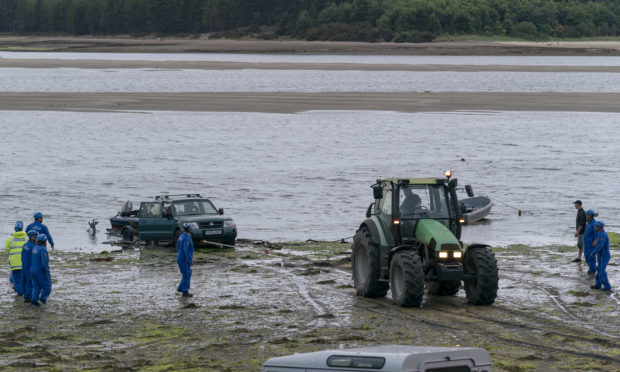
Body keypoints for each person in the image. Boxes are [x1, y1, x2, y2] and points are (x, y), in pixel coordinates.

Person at [4, 221, 27, 296]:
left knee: (16, 279)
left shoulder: (10, 238)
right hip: (24, 262)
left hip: (14, 263)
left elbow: (6, 249)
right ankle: (23, 290)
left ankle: (20, 291)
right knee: (24, 278)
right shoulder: (26, 237)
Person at [30, 234, 52, 307]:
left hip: (32, 270)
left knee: (36, 286)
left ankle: (33, 302)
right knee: (47, 286)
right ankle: (43, 298)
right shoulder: (43, 249)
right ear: (45, 241)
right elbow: (44, 262)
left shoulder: (35, 248)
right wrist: (46, 272)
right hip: (40, 271)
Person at [590, 221, 612, 292]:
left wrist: (593, 253)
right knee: (599, 270)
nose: (595, 227)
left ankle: (607, 286)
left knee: (602, 271)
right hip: (600, 255)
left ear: (599, 227)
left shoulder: (603, 235)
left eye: (596, 226)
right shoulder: (599, 234)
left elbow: (600, 246)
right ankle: (598, 285)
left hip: (604, 255)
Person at [176, 223, 194, 297]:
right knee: (187, 274)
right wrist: (190, 260)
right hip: (184, 259)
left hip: (180, 257)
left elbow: (178, 247)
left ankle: (180, 287)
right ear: (189, 229)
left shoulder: (181, 236)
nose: (192, 229)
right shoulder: (187, 238)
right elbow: (186, 250)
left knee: (187, 273)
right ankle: (185, 291)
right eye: (191, 228)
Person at [22, 230, 39, 302]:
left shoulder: (24, 245)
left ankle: (26, 295)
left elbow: (22, 256)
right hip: (31, 266)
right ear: (34, 237)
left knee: (25, 281)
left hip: (24, 265)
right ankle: (28, 297)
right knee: (31, 282)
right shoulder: (34, 247)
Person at [583, 210, 598, 274]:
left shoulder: (594, 223)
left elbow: (596, 233)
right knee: (586, 257)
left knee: (591, 257)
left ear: (589, 215)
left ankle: (592, 270)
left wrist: (595, 241)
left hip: (591, 243)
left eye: (587, 215)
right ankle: (594, 268)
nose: (586, 216)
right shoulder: (588, 222)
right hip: (586, 243)